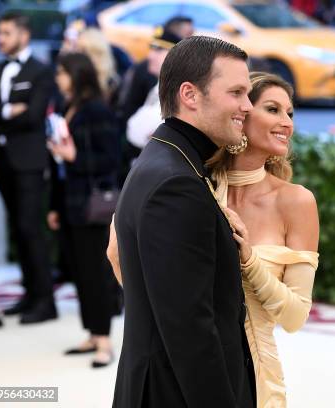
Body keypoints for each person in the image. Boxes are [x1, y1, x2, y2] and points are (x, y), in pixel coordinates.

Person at [108, 72, 320, 407]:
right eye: (273, 109)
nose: (287, 123)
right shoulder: (188, 184)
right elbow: (123, 260)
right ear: (242, 112)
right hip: (179, 364)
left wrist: (249, 261)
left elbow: (295, 317)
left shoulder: (296, 202)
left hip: (258, 375)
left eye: (289, 113)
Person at [111, 36, 256, 408]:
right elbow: (190, 332)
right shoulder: (176, 182)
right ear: (190, 95)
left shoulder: (168, 159)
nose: (248, 107)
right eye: (237, 93)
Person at [47, 52, 120, 368]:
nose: (58, 77)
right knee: (79, 271)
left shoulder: (96, 110)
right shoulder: (67, 106)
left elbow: (111, 160)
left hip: (93, 205)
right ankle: (92, 333)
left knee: (95, 273)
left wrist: (73, 156)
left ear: (77, 74)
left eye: (62, 72)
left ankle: (104, 340)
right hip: (70, 201)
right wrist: (54, 205)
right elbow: (62, 162)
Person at [0, 12, 57, 324]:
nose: (0, 39)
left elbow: (32, 117)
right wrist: (8, 110)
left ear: (23, 35)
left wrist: (0, 115)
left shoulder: (41, 71)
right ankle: (29, 294)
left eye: (6, 33)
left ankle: (45, 301)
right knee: (17, 228)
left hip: (29, 160)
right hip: (1, 159)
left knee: (31, 228)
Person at [125, 30, 182, 151]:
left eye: (159, 50)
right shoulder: (160, 85)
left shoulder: (178, 92)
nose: (150, 56)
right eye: (151, 49)